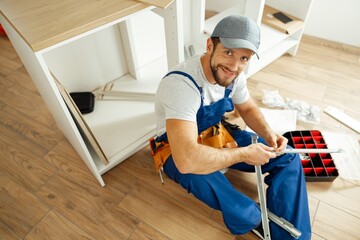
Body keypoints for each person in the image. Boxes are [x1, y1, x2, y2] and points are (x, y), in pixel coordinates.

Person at [153, 15, 311, 239]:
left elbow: (247, 109)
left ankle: (294, 236)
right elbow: (187, 159)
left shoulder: (234, 75)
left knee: (288, 156)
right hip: (178, 150)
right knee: (246, 215)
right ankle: (259, 219)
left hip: (214, 133)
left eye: (244, 58)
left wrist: (269, 134)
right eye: (229, 52)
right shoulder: (181, 85)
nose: (234, 66)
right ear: (210, 45)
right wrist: (244, 154)